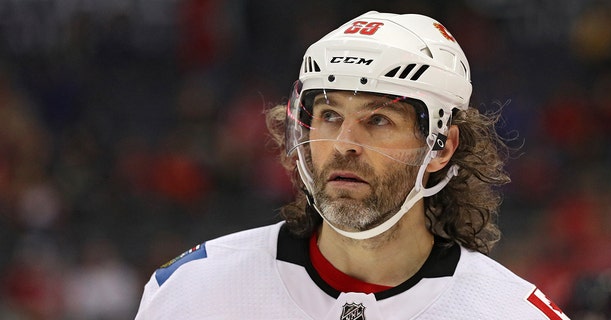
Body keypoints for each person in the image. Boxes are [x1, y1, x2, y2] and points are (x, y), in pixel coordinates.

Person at [135, 11, 570, 319]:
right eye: (329, 115)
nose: (345, 144)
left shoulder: (510, 313)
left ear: (441, 145)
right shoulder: (191, 292)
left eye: (378, 120)